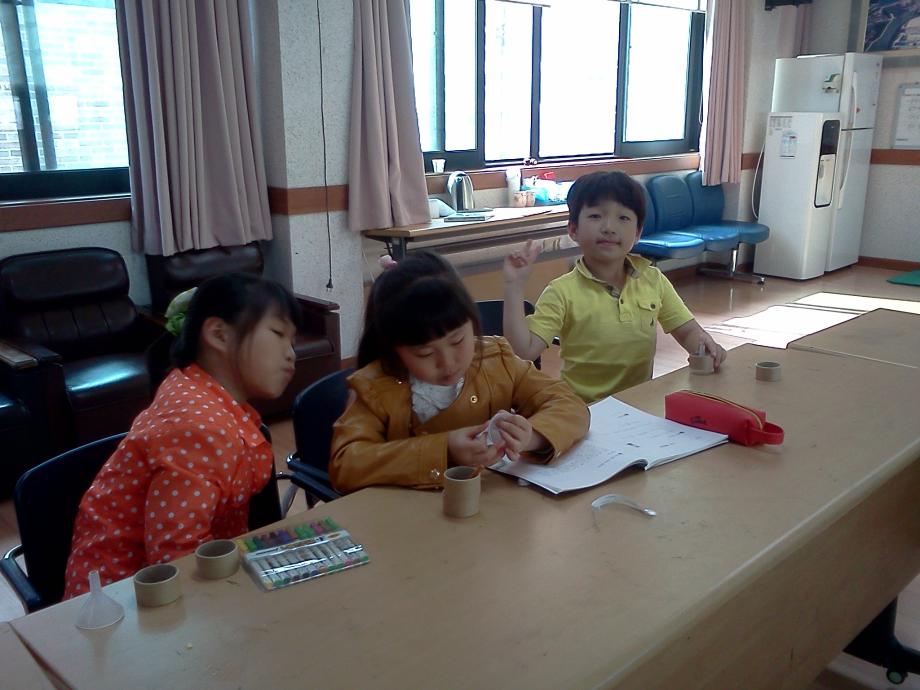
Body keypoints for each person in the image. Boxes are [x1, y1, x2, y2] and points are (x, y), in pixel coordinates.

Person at [63, 273, 301, 597]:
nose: (291, 354)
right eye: (278, 334)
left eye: (292, 341)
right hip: (126, 603)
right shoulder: (199, 426)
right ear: (219, 335)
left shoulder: (199, 393)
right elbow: (174, 559)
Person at [329, 251, 589, 494]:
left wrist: (533, 435)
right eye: (425, 354)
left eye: (457, 341)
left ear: (472, 323)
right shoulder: (374, 388)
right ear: (394, 349)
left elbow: (569, 404)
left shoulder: (495, 360)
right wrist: (444, 449)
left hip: (492, 507)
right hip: (410, 517)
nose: (448, 362)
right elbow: (346, 464)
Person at [503, 170, 726, 404]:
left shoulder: (652, 279)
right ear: (573, 230)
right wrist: (513, 285)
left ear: (637, 233)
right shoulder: (561, 292)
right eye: (596, 216)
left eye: (623, 218)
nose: (609, 227)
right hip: (582, 410)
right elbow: (524, 351)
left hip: (638, 405)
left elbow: (687, 331)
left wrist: (704, 346)